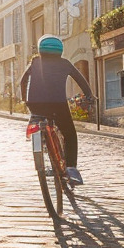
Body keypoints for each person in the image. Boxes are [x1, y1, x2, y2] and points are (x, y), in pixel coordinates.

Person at [19, 35, 95, 185]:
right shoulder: (65, 63)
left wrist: (24, 99)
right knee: (70, 134)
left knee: (39, 121)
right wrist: (89, 95)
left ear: (41, 50)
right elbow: (80, 80)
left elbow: (23, 81)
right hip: (57, 104)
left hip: (35, 104)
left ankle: (42, 141)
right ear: (60, 51)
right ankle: (71, 168)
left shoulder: (35, 62)